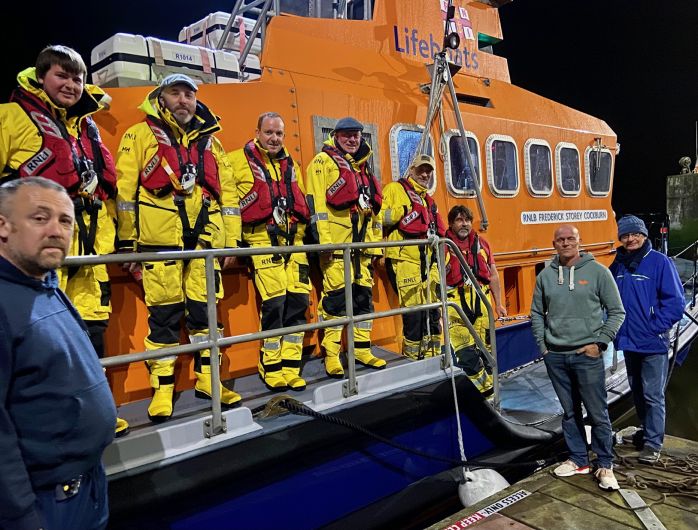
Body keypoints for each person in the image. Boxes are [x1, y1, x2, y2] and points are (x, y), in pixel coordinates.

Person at [0, 45, 128, 438]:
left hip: (88, 249)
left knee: (90, 329)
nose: (71, 85)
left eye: (77, 78)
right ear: (41, 77)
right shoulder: (11, 117)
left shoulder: (86, 128)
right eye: (62, 76)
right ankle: (43, 421)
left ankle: (91, 409)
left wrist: (124, 242)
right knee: (37, 332)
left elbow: (109, 191)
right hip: (35, 254)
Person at [115, 73, 242, 421]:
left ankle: (208, 381)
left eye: (189, 94)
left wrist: (230, 242)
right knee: (165, 320)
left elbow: (228, 197)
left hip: (205, 245)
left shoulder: (212, 144)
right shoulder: (139, 135)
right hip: (160, 246)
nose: (184, 100)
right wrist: (128, 244)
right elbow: (124, 193)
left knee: (206, 317)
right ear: (162, 96)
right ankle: (163, 389)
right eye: (176, 93)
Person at [0, 177, 116, 530]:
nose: (56, 230)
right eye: (40, 218)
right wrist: (24, 518)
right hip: (46, 505)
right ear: (3, 227)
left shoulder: (44, 285)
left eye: (65, 220)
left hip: (86, 488)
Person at [531, 224, 625, 491]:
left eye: (570, 238)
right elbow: (536, 312)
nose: (565, 243)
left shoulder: (598, 272)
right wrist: (543, 346)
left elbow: (617, 312)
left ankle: (605, 464)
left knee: (597, 411)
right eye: (560, 239)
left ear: (579, 241)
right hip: (556, 357)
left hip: (587, 355)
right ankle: (578, 460)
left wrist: (600, 343)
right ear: (554, 244)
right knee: (569, 412)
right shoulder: (546, 276)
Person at [228, 112, 311, 391]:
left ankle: (291, 365)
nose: (274, 138)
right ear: (258, 132)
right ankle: (271, 366)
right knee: (274, 305)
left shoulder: (292, 164)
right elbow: (227, 202)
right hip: (262, 241)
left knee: (299, 303)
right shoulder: (236, 160)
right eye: (269, 132)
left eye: (278, 134)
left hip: (294, 243)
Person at [306, 116, 385, 377]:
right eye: (347, 135)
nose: (352, 139)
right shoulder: (322, 163)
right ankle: (332, 354)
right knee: (335, 302)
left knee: (363, 301)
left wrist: (375, 248)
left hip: (361, 250)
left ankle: (361, 349)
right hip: (337, 249)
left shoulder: (363, 168)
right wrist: (324, 243)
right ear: (336, 136)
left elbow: (372, 213)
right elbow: (316, 205)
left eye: (356, 135)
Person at [611, 215, 684, 463]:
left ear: (643, 235)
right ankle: (646, 430)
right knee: (638, 392)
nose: (630, 239)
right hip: (629, 343)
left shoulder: (660, 262)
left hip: (652, 344)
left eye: (635, 234)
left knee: (653, 395)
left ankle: (654, 444)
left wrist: (655, 328)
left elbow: (676, 304)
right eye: (625, 235)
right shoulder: (618, 265)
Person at [381, 154, 446, 359]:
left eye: (428, 171)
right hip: (403, 261)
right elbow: (380, 217)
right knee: (414, 315)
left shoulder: (429, 201)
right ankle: (412, 359)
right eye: (420, 170)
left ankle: (432, 356)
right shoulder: (394, 190)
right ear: (411, 171)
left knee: (433, 313)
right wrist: (405, 210)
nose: (425, 174)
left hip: (427, 263)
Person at [443, 205, 506, 394]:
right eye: (460, 220)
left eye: (468, 220)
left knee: (488, 353)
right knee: (466, 356)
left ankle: (490, 393)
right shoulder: (443, 246)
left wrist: (499, 303)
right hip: (456, 308)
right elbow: (435, 280)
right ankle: (488, 396)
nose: (465, 224)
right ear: (451, 223)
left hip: (482, 304)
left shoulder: (482, 244)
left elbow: (493, 276)